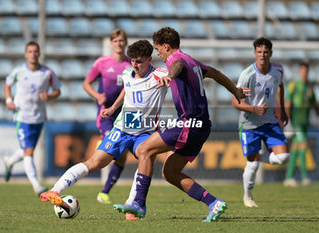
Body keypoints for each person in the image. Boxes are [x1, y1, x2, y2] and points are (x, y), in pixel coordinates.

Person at [113, 27, 249, 222]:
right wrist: (235, 91)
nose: (157, 52)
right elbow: (216, 73)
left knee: (144, 150)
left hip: (190, 122)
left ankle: (138, 203)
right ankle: (213, 203)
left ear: (166, 46)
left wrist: (171, 75)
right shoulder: (192, 61)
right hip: (203, 125)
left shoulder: (175, 60)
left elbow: (175, 65)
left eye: (158, 48)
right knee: (170, 172)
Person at [39, 40, 169, 219]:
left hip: (145, 132)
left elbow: (179, 73)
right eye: (132, 61)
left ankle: (132, 203)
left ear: (149, 59)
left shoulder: (161, 74)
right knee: (93, 163)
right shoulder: (127, 73)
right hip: (122, 129)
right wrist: (113, 108)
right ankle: (55, 190)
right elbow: (127, 90)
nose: (135, 65)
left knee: (146, 157)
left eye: (139, 61)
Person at [231, 37, 290, 208]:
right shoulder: (247, 74)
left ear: (271, 53)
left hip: (270, 121)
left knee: (283, 157)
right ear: (255, 53)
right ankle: (247, 196)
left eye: (265, 52)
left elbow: (280, 86)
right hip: (249, 125)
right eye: (259, 52)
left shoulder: (278, 70)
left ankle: (257, 158)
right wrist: (253, 109)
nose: (262, 55)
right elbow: (234, 102)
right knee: (253, 165)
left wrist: (282, 110)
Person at [3, 41, 61, 196]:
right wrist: (9, 101)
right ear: (25, 54)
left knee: (27, 150)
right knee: (28, 152)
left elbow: (57, 90)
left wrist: (48, 96)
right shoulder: (18, 71)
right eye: (30, 51)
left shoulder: (47, 73)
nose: (33, 54)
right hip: (22, 116)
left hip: (39, 117)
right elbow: (7, 85)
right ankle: (36, 186)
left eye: (35, 51)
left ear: (39, 53)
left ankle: (9, 162)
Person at [82, 29, 132, 204]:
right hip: (106, 114)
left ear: (126, 43)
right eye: (116, 41)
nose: (119, 43)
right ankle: (104, 142)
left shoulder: (131, 64)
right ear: (111, 43)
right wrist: (97, 96)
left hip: (125, 112)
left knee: (123, 155)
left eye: (122, 40)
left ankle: (104, 192)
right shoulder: (102, 63)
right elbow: (86, 83)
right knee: (114, 144)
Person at [283, 63, 319, 187]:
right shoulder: (294, 85)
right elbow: (288, 103)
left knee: (296, 149)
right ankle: (304, 177)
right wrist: (288, 122)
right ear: (299, 71)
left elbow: (314, 104)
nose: (304, 73)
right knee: (303, 145)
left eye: (306, 71)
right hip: (296, 121)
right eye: (302, 71)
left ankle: (288, 177)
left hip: (305, 122)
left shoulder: (309, 87)